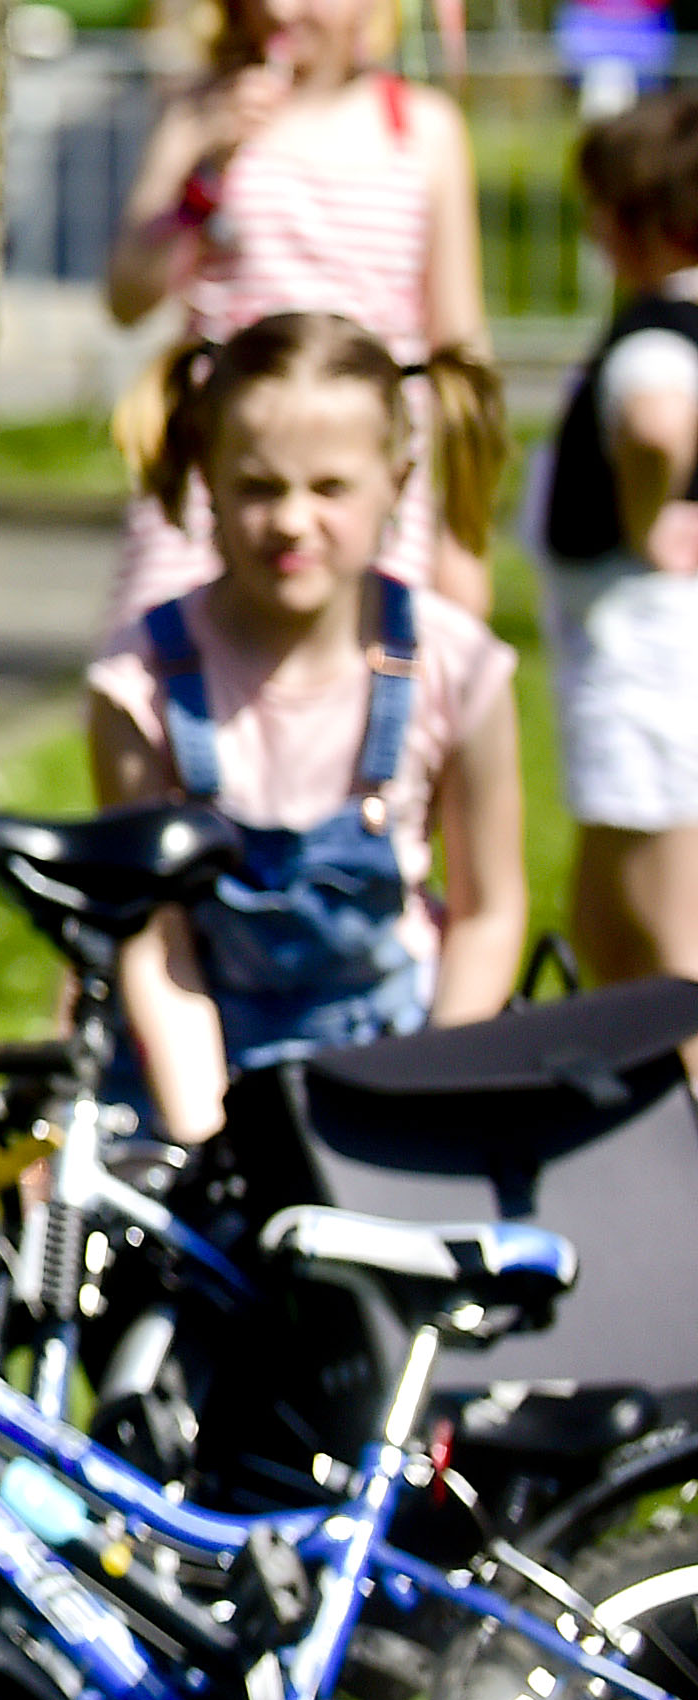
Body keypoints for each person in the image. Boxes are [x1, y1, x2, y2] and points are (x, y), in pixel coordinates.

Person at [92, 310, 524, 1141]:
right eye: (259, 487)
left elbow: (488, 912)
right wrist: (214, 1148)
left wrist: (429, 1101)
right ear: (205, 479)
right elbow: (157, 947)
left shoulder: (456, 666)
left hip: (397, 1075)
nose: (292, 521)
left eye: (330, 488)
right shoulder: (138, 684)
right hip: (198, 1076)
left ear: (396, 485)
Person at [104, 0, 495, 620]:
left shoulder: (424, 128)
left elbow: (460, 347)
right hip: (224, 461)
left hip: (367, 471)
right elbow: (127, 296)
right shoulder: (198, 115)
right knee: (174, 682)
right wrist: (201, 176)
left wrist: (462, 539)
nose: (279, 5)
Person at [537, 95, 698, 985]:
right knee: (609, 911)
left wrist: (648, 524)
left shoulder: (657, 332)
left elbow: (655, 420)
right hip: (645, 662)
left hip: (649, 660)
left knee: (667, 930)